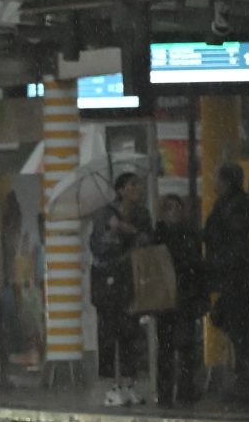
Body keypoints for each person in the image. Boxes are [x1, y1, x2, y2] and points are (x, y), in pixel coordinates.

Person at [203, 163, 249, 406]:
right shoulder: (233, 205)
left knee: (241, 330)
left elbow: (237, 242)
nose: (213, 182)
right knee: (238, 327)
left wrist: (226, 262)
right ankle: (247, 383)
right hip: (234, 275)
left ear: (226, 181)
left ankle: (248, 385)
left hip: (235, 276)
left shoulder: (236, 207)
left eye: (216, 177)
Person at [88, 171, 151, 406]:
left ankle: (129, 381)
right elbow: (98, 247)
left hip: (131, 278)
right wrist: (112, 232)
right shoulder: (105, 214)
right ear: (121, 189)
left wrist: (127, 229)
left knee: (130, 331)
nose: (138, 189)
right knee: (109, 332)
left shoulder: (141, 215)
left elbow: (147, 240)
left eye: (139, 185)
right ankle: (112, 384)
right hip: (107, 281)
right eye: (133, 185)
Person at [151, 192, 208, 408]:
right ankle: (166, 392)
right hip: (167, 297)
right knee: (166, 347)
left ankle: (185, 389)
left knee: (185, 346)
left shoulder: (188, 233)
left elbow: (197, 266)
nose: (174, 212)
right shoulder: (160, 234)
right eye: (169, 208)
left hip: (185, 296)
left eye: (177, 207)